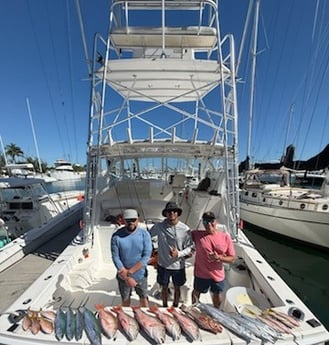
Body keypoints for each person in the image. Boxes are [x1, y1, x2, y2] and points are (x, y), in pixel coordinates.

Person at [150, 201, 194, 307]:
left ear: (178, 213)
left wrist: (179, 253)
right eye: (169, 211)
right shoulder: (158, 226)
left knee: (177, 287)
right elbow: (148, 237)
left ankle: (175, 306)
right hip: (163, 264)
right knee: (164, 287)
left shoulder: (185, 229)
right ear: (165, 213)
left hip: (178, 265)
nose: (172, 213)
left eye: (174, 211)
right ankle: (164, 307)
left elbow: (191, 247)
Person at [191, 211, 235, 308]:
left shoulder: (225, 237)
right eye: (206, 222)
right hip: (201, 273)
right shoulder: (196, 234)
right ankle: (193, 309)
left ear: (216, 221)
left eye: (211, 221)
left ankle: (216, 311)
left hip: (217, 274)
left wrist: (219, 257)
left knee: (217, 294)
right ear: (203, 223)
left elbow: (232, 259)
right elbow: (181, 234)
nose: (209, 224)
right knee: (196, 292)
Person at [111, 208, 152, 307]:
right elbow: (115, 257)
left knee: (144, 299)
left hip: (140, 275)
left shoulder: (144, 234)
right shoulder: (116, 236)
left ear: (138, 220)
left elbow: (146, 256)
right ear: (123, 221)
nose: (131, 222)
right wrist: (126, 276)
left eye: (133, 220)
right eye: (128, 220)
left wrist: (129, 273)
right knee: (125, 300)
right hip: (123, 276)